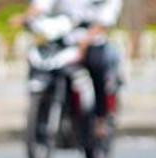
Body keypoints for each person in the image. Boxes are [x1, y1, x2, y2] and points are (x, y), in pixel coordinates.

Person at [12, 0, 123, 137]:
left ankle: (100, 118)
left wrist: (87, 39)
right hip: (65, 37)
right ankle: (44, 106)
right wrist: (26, 17)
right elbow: (41, 5)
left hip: (93, 39)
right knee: (42, 61)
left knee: (96, 64)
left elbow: (106, 19)